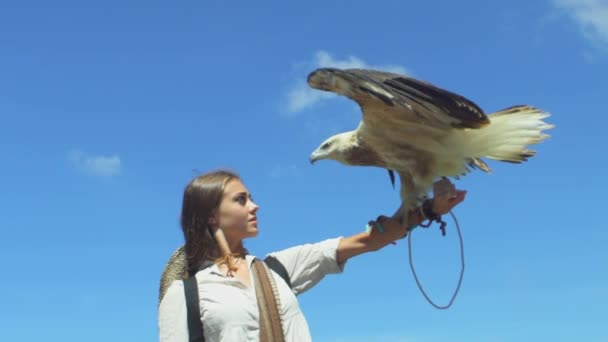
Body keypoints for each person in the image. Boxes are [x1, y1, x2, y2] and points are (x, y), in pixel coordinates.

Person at [158, 169, 466, 342]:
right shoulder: (185, 295)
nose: (255, 206)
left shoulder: (278, 268)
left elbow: (367, 241)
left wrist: (427, 209)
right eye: (241, 200)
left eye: (252, 198)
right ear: (211, 216)